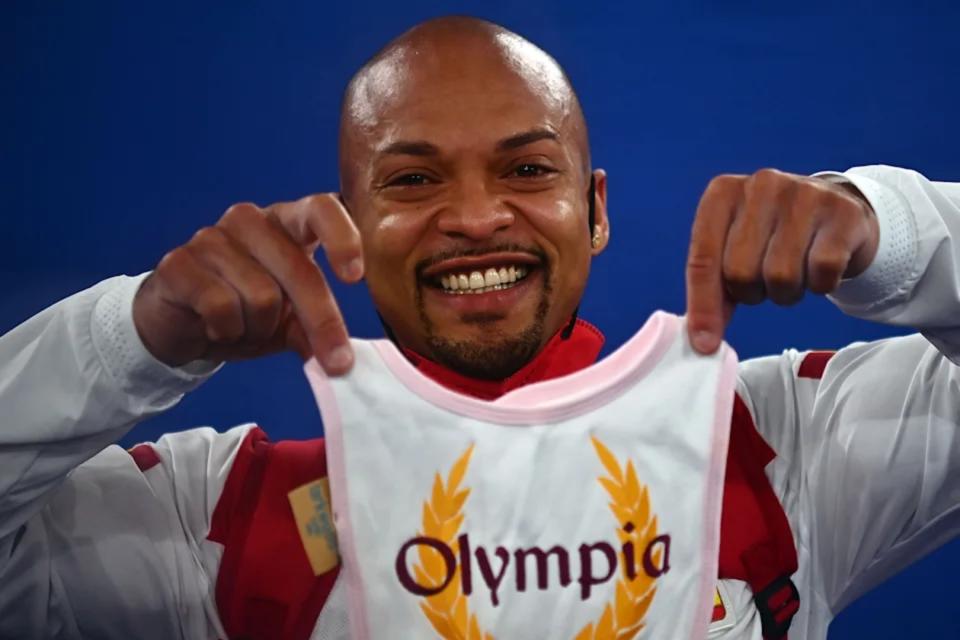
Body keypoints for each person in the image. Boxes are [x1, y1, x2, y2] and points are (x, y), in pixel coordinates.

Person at [1, 15, 958, 640]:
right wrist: (135, 336)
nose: (474, 217)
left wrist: (888, 230)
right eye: (411, 180)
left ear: (596, 210)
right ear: (352, 224)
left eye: (528, 170)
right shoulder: (220, 513)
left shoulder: (775, 445)